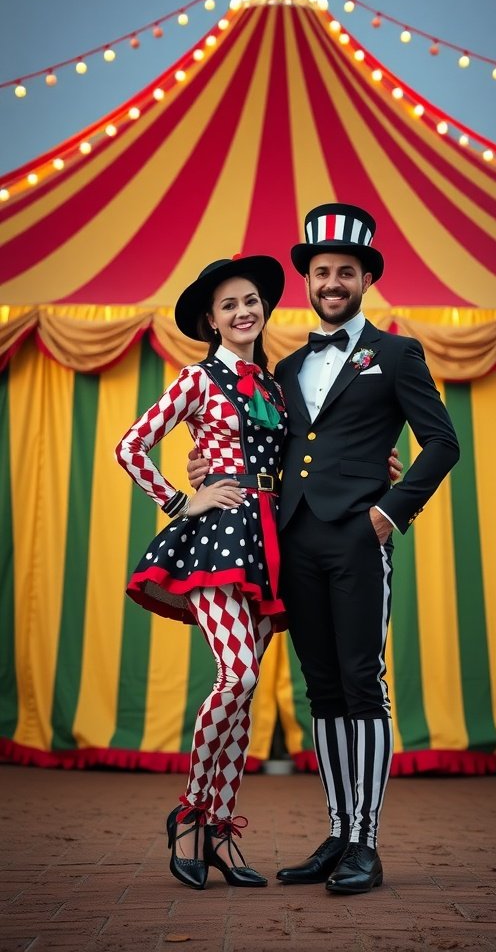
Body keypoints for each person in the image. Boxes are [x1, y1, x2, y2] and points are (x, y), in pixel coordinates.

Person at [190, 203, 460, 895]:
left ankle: (366, 845)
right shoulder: (286, 365)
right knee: (322, 688)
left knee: (363, 683)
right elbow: (261, 447)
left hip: (359, 540)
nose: (332, 282)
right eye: (320, 271)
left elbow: (442, 442)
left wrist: (390, 510)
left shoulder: (398, 353)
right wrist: (204, 471)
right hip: (294, 538)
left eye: (345, 271)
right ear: (306, 280)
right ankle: (339, 834)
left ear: (365, 278)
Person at [115, 255, 288, 891]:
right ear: (212, 321)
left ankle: (217, 830)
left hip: (272, 540)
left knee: (245, 698)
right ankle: (190, 812)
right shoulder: (196, 379)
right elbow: (130, 447)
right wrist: (182, 499)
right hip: (218, 539)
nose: (244, 312)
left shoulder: (273, 386)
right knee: (236, 675)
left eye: (251, 301)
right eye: (229, 306)